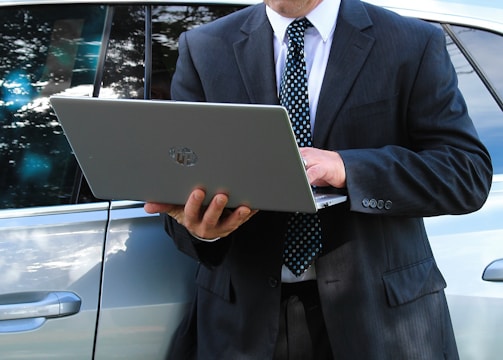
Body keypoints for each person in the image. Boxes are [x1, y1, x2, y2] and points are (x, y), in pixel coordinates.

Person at [145, 0, 493, 358]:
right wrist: (202, 230)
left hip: (379, 325)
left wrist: (348, 169)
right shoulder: (203, 46)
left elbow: (467, 173)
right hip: (242, 328)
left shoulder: (411, 41)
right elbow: (181, 182)